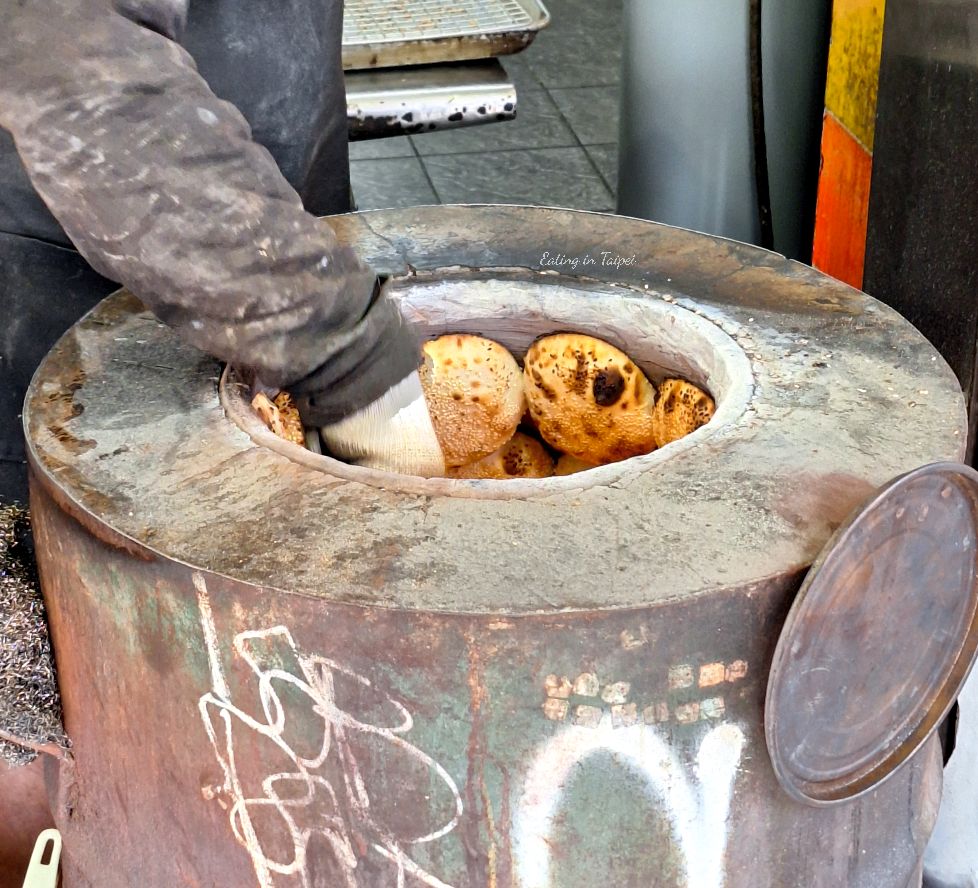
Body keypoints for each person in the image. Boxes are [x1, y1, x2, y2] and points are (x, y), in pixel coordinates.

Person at [0, 0, 445, 881]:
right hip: (44, 333)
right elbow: (71, 67)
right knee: (69, 777)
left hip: (251, 266)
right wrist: (345, 351)